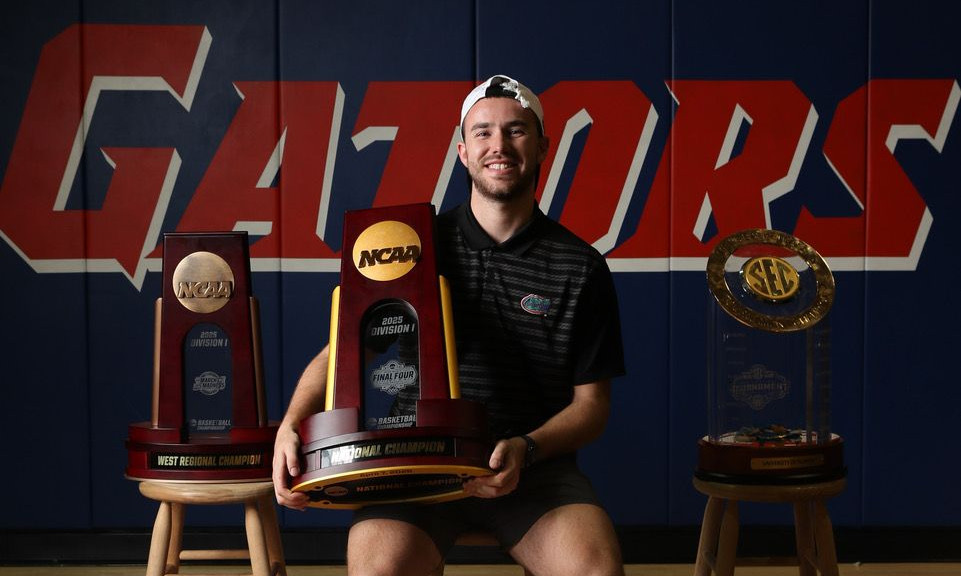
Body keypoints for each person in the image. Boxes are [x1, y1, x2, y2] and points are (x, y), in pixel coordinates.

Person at [273, 75, 626, 576]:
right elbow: (344, 351)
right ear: (463, 151)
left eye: (516, 131)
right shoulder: (413, 246)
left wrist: (527, 449)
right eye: (483, 133)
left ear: (543, 145)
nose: (498, 145)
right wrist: (290, 427)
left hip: (532, 469)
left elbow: (592, 407)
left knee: (597, 574)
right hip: (413, 460)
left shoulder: (580, 265)